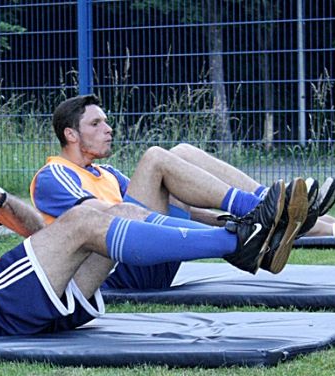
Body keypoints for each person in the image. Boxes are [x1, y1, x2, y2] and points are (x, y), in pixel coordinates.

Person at [0, 86, 299, 338]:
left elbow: (39, 231)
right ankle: (238, 240)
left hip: (10, 292)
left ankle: (244, 236)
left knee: (122, 211)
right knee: (89, 216)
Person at [30, 94, 315, 293]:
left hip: (151, 256)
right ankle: (257, 210)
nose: (109, 129)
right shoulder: (53, 175)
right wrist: (237, 234)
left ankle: (263, 213)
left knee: (182, 155)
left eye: (106, 121)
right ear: (70, 134)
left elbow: (164, 211)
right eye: (96, 124)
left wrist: (232, 224)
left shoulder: (108, 173)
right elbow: (107, 217)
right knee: (155, 158)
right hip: (113, 269)